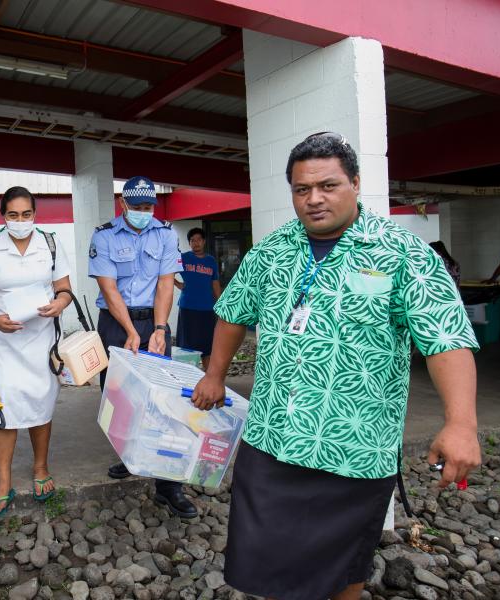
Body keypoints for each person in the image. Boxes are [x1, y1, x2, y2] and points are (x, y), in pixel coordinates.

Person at [192, 132, 481, 600]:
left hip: (355, 448)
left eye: (328, 186)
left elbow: (445, 339)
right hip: (272, 438)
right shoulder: (272, 250)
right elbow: (233, 311)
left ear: (356, 183)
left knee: (346, 563)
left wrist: (461, 422)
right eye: (302, 190)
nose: (314, 199)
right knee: (267, 563)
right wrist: (215, 373)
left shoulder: (403, 254)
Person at [89, 175, 197, 519]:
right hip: (114, 322)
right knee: (119, 394)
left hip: (154, 320)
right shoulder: (104, 235)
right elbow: (108, 288)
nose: (142, 212)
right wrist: (128, 330)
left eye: (148, 207)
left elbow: (166, 284)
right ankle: (130, 456)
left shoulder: (165, 234)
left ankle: (168, 485)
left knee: (163, 398)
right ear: (124, 205)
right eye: (136, 207)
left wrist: (162, 327)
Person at [0, 186, 73, 515]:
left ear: (34, 214)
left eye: (26, 214)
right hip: (3, 343)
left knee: (41, 402)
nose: (20, 221)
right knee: (4, 409)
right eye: (13, 215)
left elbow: (65, 289)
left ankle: (41, 468)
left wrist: (59, 304)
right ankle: (3, 481)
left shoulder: (50, 243)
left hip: (41, 339)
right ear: (3, 215)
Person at [174, 227, 221, 369]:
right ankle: (187, 377)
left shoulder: (211, 261)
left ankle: (209, 377)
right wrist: (178, 284)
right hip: (187, 308)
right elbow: (167, 272)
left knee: (208, 345)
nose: (196, 243)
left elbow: (215, 284)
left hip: (207, 309)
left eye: (199, 240)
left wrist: (220, 306)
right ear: (189, 243)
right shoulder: (184, 258)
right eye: (192, 240)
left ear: (204, 241)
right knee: (186, 346)